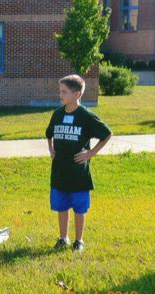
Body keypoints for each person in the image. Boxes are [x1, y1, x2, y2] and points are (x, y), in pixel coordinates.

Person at [45, 75, 112, 252]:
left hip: (78, 173)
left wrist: (90, 153)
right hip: (60, 170)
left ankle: (79, 240)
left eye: (64, 92)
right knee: (61, 206)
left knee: (79, 208)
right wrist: (51, 149)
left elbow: (107, 134)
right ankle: (63, 238)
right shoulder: (57, 114)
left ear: (77, 94)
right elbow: (49, 134)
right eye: (60, 91)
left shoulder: (86, 116)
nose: (60, 95)